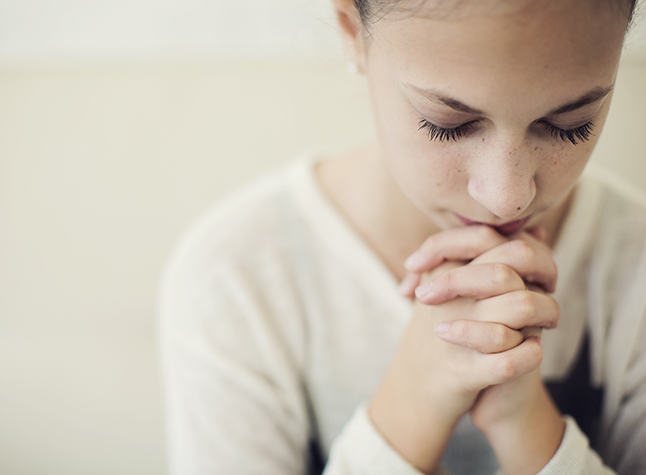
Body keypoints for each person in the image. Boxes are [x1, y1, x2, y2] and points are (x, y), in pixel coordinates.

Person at [158, 0, 646, 473]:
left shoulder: (635, 265)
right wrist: (410, 407)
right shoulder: (237, 277)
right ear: (352, 30)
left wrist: (528, 429)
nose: (507, 197)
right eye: (448, 125)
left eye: (569, 126)